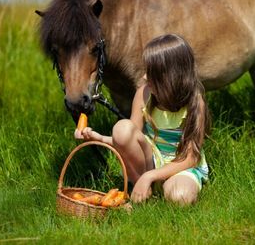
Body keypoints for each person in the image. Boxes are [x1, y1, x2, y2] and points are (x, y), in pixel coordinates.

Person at [74, 34, 210, 205]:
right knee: (122, 128)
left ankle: (152, 185)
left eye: (152, 73)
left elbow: (190, 158)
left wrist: (150, 176)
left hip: (180, 166)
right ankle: (143, 195)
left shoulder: (194, 103)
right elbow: (129, 140)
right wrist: (97, 138)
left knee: (180, 197)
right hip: (150, 161)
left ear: (171, 76)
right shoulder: (144, 93)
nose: (145, 77)